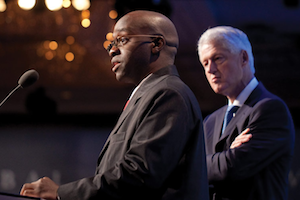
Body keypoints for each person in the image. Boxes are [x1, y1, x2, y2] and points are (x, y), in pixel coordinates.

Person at [20, 10, 209, 200]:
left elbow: (140, 174)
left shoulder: (169, 93)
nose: (111, 50)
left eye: (122, 40)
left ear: (156, 44)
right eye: (112, 43)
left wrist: (62, 193)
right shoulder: (149, 94)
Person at [197, 25, 295, 200]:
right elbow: (198, 178)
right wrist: (224, 157)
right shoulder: (210, 121)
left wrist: (203, 163)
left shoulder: (270, 109)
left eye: (218, 58)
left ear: (243, 58)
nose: (210, 69)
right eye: (205, 63)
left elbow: (231, 168)